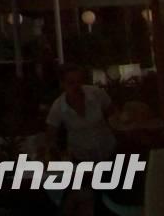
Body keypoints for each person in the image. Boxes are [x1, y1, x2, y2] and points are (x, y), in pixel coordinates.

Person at [47, 64, 117, 216]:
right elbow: (50, 137)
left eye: (79, 81)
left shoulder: (97, 94)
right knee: (82, 199)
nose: (76, 86)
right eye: (71, 82)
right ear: (63, 84)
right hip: (83, 160)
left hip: (108, 155)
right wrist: (61, 158)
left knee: (105, 198)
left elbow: (114, 116)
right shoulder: (58, 107)